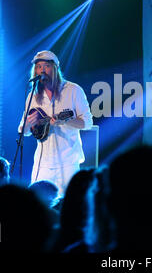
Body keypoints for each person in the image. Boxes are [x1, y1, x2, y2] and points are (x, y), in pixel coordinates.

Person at [18, 50, 93, 195]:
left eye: (46, 66)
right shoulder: (32, 95)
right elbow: (23, 131)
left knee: (68, 204)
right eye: (38, 67)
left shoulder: (73, 90)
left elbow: (87, 122)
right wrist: (27, 125)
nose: (42, 70)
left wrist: (65, 121)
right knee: (39, 205)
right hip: (42, 163)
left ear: (55, 68)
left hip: (68, 162)